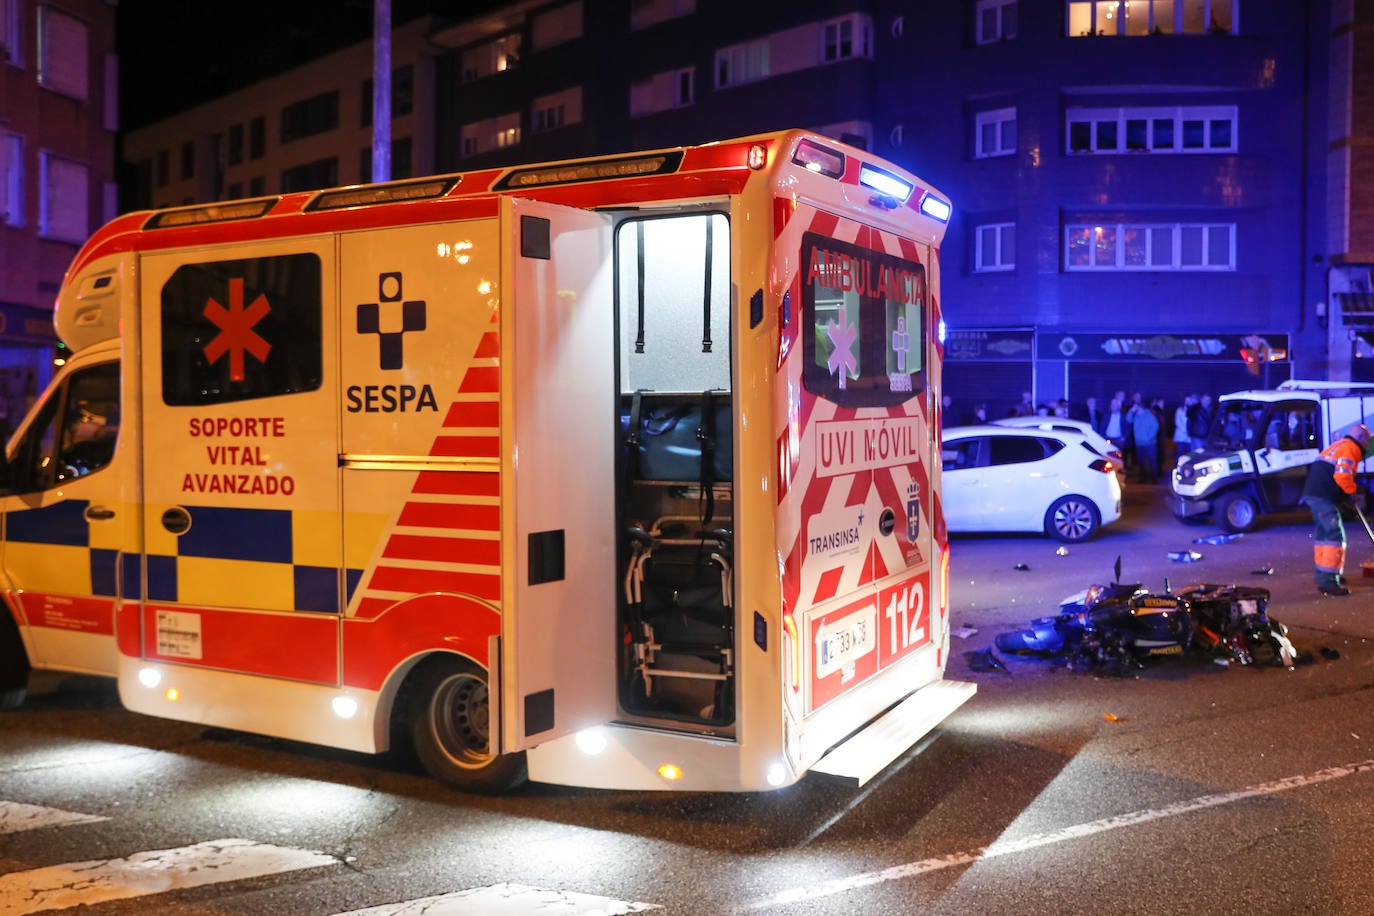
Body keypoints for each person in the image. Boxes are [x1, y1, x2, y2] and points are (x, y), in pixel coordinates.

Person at [1301, 423, 1372, 596]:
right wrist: (1352, 493)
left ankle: (1325, 575)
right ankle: (1328, 581)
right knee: (1334, 534)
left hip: (1316, 494)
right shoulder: (1351, 448)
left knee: (1324, 535)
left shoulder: (1338, 446)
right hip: (1321, 496)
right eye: (1367, 441)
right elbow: (1342, 476)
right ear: (1361, 439)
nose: (1367, 445)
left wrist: (1344, 497)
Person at [1129, 397, 1161, 483]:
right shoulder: (1135, 416)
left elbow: (1156, 426)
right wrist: (1131, 411)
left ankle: (1154, 479)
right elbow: (1128, 419)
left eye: (1136, 407)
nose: (1134, 409)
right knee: (1141, 461)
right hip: (1139, 443)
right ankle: (1142, 478)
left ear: (1140, 407)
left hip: (1149, 444)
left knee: (1152, 461)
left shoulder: (1149, 415)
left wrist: (1148, 438)